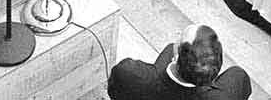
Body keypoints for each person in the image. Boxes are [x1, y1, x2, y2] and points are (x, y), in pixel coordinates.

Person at [107, 24, 251, 100]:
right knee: (238, 74)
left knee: (168, 47)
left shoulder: (129, 74)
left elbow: (113, 92)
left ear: (176, 56)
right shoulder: (223, 97)